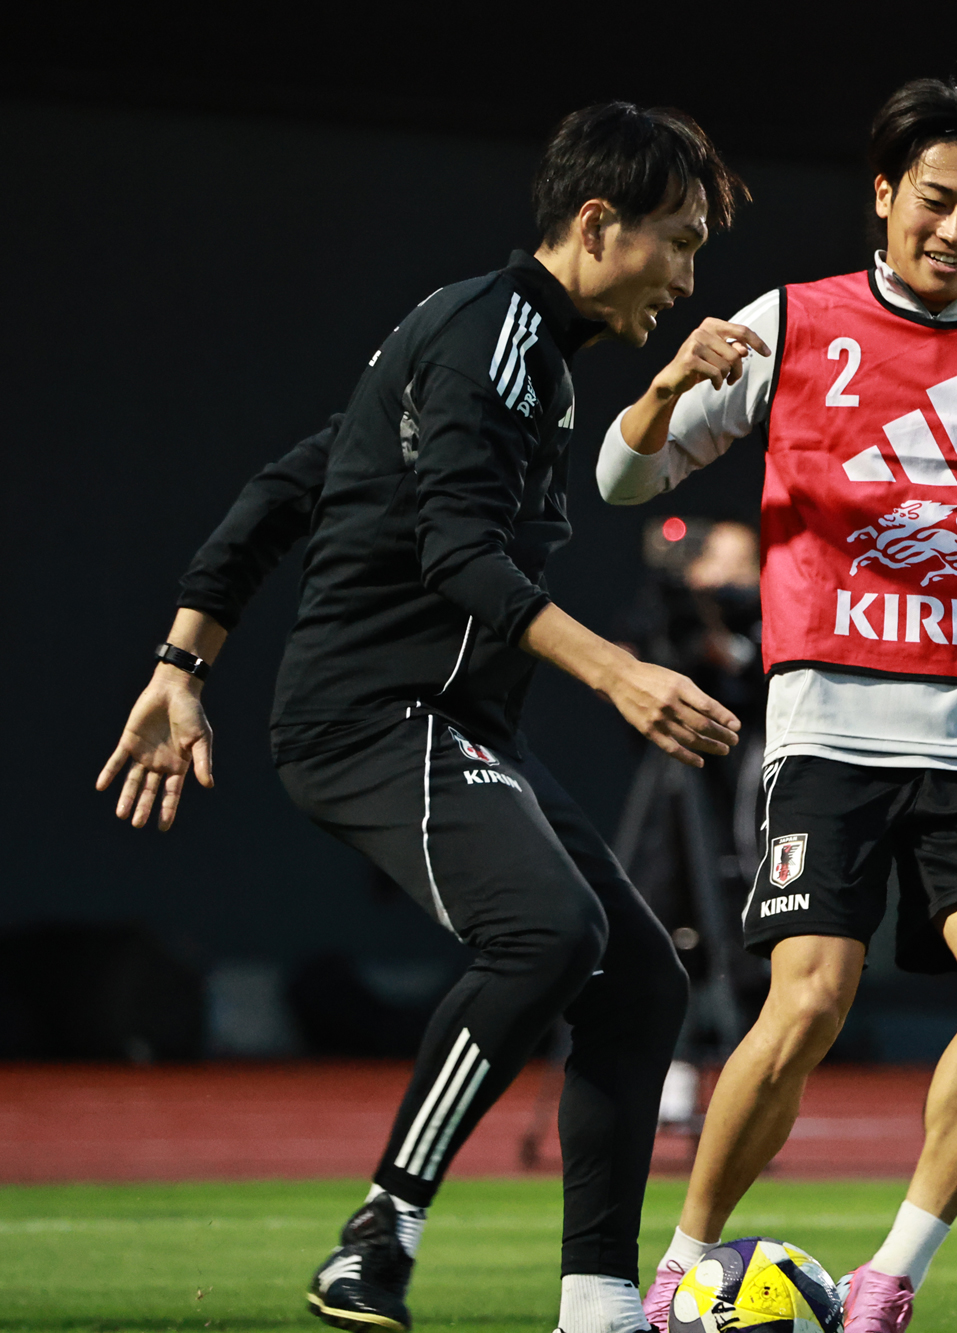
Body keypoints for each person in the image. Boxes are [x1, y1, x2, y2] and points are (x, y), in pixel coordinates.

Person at [95, 103, 754, 1333]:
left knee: (638, 983)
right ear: (596, 224)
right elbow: (459, 555)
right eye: (677, 241)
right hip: (370, 716)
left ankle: (600, 1302)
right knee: (547, 932)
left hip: (454, 721)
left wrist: (182, 662)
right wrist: (615, 672)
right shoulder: (488, 336)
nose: (685, 276)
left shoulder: (511, 349)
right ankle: (377, 1235)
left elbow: (290, 484)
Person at [595, 75, 957, 1333]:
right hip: (831, 730)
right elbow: (620, 480)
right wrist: (667, 382)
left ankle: (886, 1282)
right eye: (934, 199)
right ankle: (679, 1272)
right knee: (810, 998)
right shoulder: (787, 323)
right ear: (883, 193)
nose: (954, 229)